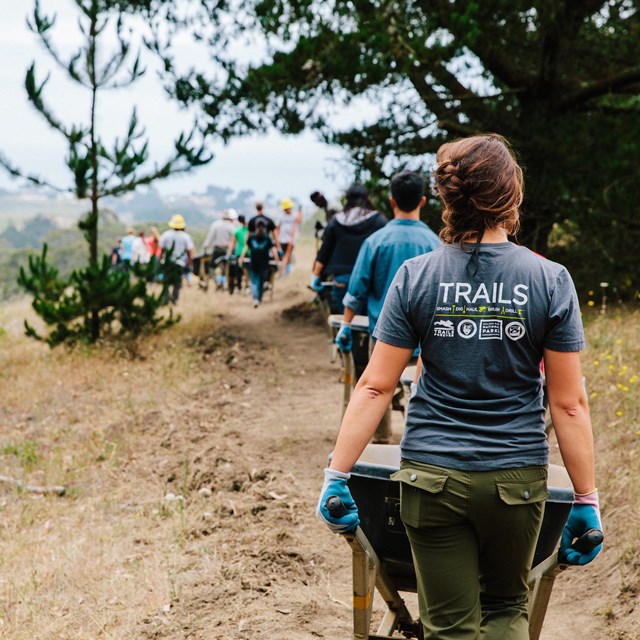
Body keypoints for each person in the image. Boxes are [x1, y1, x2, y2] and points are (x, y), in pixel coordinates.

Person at [317, 134, 602, 640]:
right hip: (515, 481)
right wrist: (586, 499)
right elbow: (569, 404)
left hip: (431, 477)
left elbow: (374, 388)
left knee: (447, 625)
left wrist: (336, 475)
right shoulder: (550, 279)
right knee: (507, 608)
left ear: (448, 197)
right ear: (511, 196)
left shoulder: (417, 276)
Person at [334, 171, 441, 442]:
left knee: (377, 389)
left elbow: (356, 291)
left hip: (384, 338)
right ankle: (419, 441)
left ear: (392, 201)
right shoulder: (436, 245)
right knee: (424, 392)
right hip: (427, 340)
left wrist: (345, 326)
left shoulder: (376, 242)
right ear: (423, 201)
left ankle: (379, 439)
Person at [311, 183, 387, 314]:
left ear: (346, 199)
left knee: (344, 321)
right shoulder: (378, 220)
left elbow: (324, 252)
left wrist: (315, 276)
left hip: (342, 281)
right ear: (367, 198)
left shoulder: (336, 221)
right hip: (370, 281)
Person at [240, 220, 280, 307]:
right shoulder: (267, 238)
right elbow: (274, 250)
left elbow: (246, 248)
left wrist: (241, 258)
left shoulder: (252, 238)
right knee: (261, 282)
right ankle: (258, 298)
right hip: (264, 264)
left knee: (254, 281)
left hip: (254, 263)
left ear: (256, 228)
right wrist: (277, 260)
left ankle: (255, 299)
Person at [159, 214, 195, 303]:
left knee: (166, 281)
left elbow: (161, 250)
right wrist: (190, 262)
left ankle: (166, 297)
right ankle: (174, 298)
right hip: (180, 263)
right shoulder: (185, 236)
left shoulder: (165, 235)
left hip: (167, 263)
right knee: (177, 282)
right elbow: (190, 252)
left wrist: (160, 260)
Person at [276, 198, 302, 273]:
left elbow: (299, 220)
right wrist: (277, 239)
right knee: (284, 255)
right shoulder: (280, 216)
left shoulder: (295, 214)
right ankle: (284, 270)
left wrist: (300, 212)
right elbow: (277, 228)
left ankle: (285, 270)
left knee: (288, 255)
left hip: (291, 239)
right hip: (282, 239)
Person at [227, 214, 249, 293]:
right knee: (249, 270)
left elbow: (232, 243)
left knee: (239, 271)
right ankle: (248, 286)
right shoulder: (248, 229)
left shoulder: (236, 230)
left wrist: (229, 253)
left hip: (239, 252)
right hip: (249, 252)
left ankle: (239, 287)